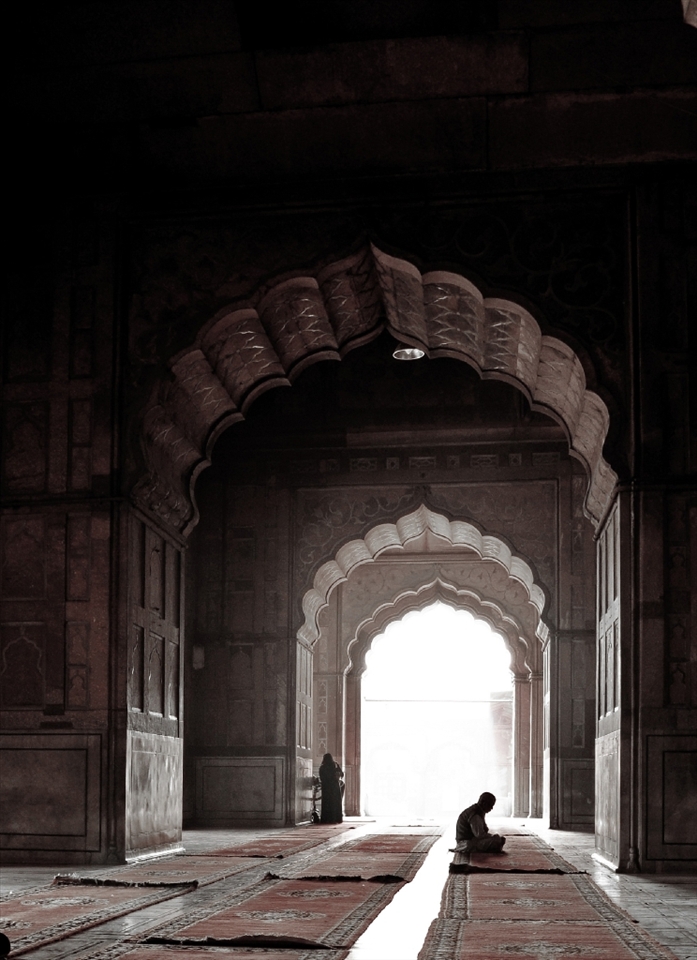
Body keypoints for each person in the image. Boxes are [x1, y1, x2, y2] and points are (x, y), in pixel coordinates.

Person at [319, 752, 344, 823]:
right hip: (335, 786)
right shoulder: (335, 765)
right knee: (335, 802)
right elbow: (342, 774)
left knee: (327, 803)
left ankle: (326, 819)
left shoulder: (323, 767)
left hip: (326, 787)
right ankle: (336, 818)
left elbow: (322, 777)